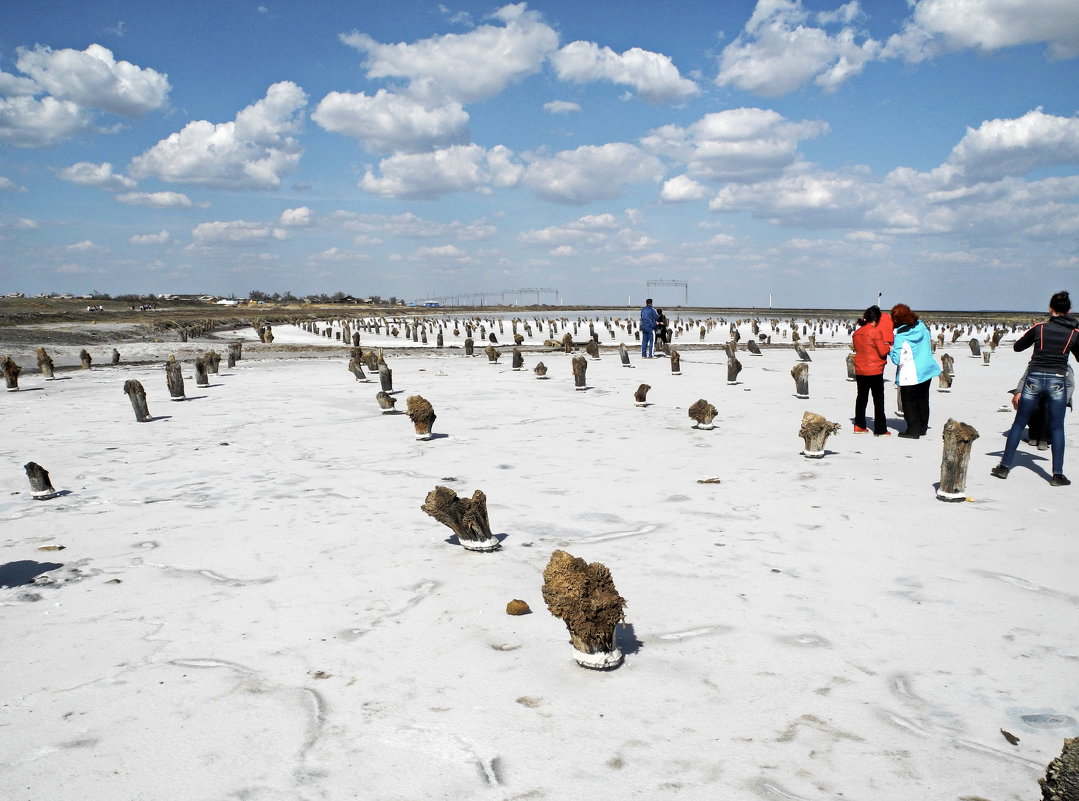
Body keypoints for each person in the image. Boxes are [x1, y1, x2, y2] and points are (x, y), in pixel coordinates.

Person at [991, 291, 1079, 486]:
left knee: (1019, 422)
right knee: (1057, 427)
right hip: (1058, 379)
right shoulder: (1074, 333)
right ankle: (1057, 475)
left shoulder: (1039, 328)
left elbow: (1018, 347)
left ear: (1050, 309)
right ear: (1069, 310)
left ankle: (1004, 467)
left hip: (1034, 378)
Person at [889, 304, 941, 439]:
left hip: (910, 373)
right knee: (923, 400)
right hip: (926, 369)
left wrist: (889, 349)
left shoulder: (901, 336)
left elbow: (897, 359)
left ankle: (913, 430)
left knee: (909, 402)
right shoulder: (921, 326)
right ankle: (922, 427)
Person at [851, 305, 891, 435]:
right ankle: (880, 429)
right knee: (878, 400)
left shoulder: (856, 333)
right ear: (877, 318)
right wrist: (888, 346)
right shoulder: (875, 332)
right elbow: (882, 351)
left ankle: (859, 425)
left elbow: (859, 350)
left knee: (861, 398)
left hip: (861, 369)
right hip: (875, 370)